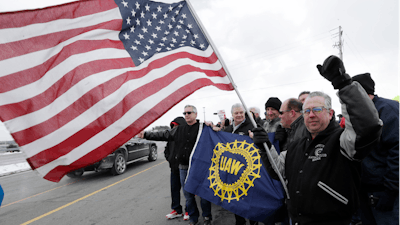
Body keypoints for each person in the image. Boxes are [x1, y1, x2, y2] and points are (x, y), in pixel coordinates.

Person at [251, 55, 382, 224]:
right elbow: (279, 171)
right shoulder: (297, 145)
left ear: (330, 113)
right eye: (307, 111)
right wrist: (265, 147)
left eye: (317, 109)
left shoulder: (342, 141)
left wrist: (343, 84)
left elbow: (367, 126)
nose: (311, 115)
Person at [138, 105, 212, 225]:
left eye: (189, 112)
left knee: (203, 194)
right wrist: (145, 134)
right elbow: (163, 134)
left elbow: (217, 136)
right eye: (185, 113)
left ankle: (207, 217)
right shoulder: (179, 129)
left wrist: (215, 126)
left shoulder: (203, 128)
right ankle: (193, 218)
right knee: (188, 195)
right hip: (183, 167)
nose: (186, 115)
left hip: (199, 167)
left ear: (196, 114)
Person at [352, 73, 399, 225]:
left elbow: (397, 150)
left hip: (386, 192)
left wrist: (390, 191)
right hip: (365, 191)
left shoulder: (387, 109)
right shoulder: (360, 113)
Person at [222, 103, 258, 225]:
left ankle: (254, 222)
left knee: (251, 200)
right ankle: (240, 221)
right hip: (232, 171)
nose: (239, 115)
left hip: (249, 171)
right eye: (236, 113)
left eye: (241, 112)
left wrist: (255, 138)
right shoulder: (227, 130)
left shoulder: (252, 126)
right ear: (232, 115)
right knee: (236, 200)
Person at [165, 117, 190, 221]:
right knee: (174, 189)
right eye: (173, 126)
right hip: (174, 168)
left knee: (187, 191)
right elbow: (167, 151)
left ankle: (189, 210)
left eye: (177, 126)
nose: (175, 128)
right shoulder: (171, 138)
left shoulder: (186, 137)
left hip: (184, 168)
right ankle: (177, 210)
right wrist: (170, 159)